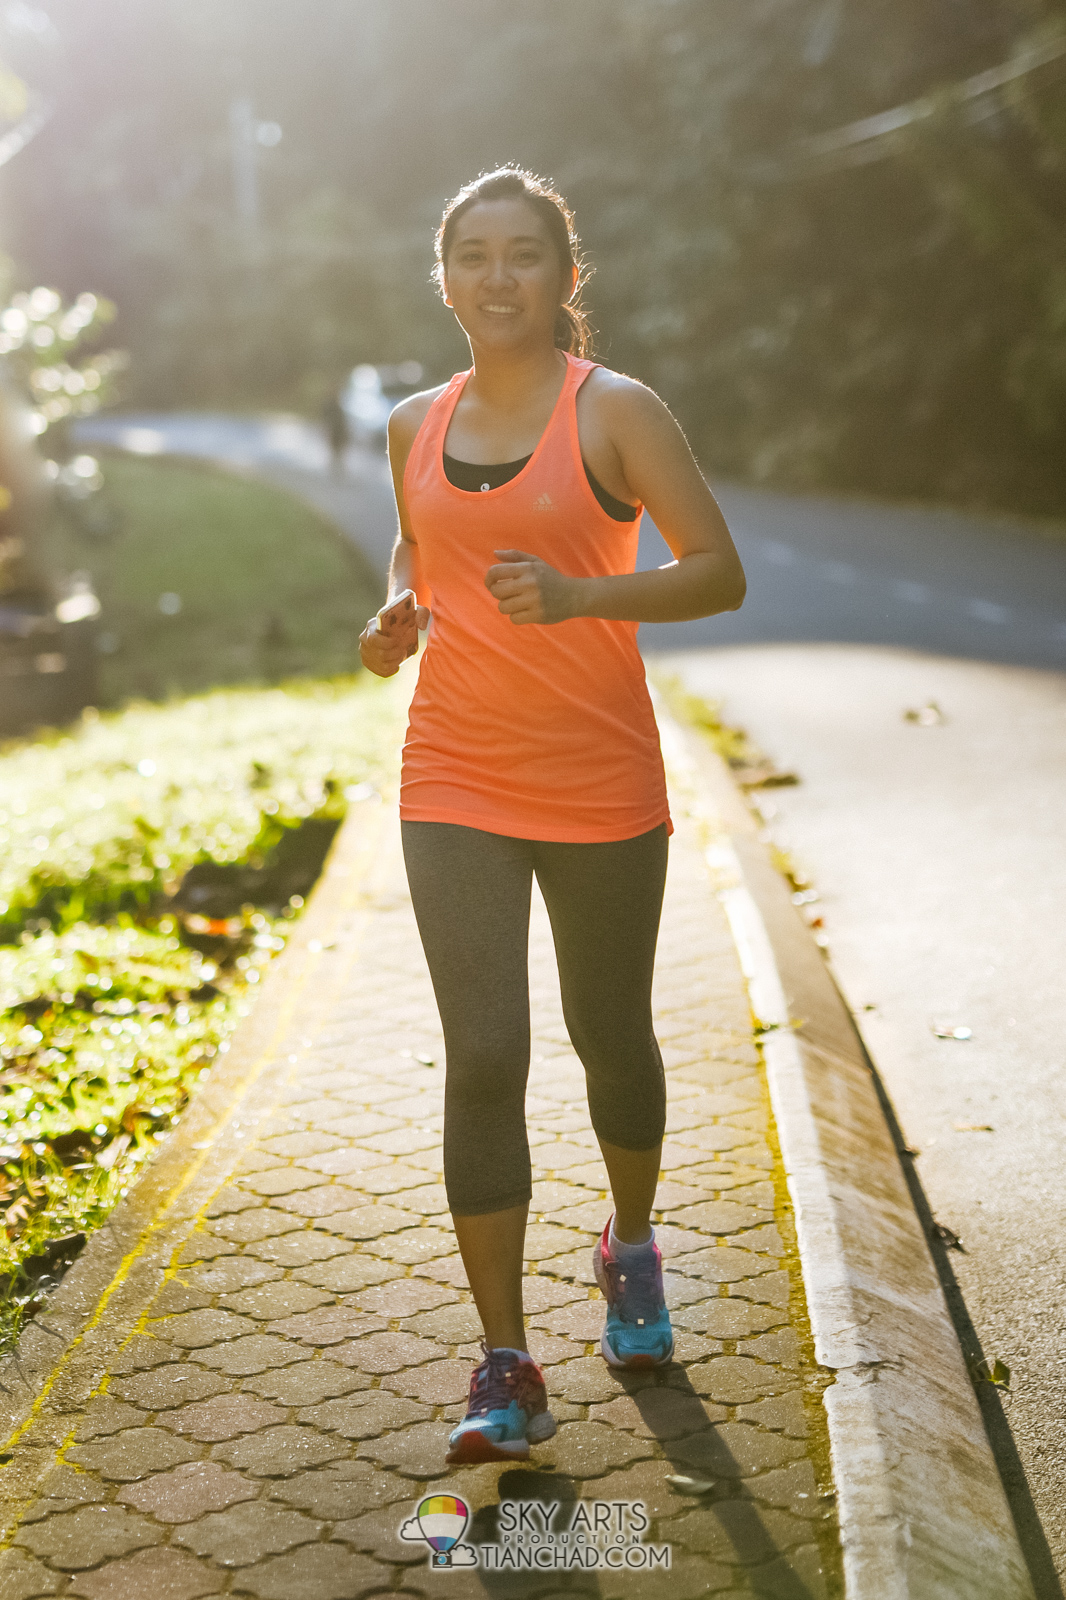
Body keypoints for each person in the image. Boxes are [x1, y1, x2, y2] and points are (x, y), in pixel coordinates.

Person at [359, 167, 745, 1467]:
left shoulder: (616, 411)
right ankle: (505, 1363)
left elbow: (718, 571)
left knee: (609, 1036)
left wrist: (583, 599)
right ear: (444, 278)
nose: (498, 276)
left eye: (523, 253)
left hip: (598, 775)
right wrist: (394, 618)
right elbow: (418, 550)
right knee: (483, 1055)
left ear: (565, 276)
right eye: (472, 254)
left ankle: (629, 1248)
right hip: (452, 774)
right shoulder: (413, 422)